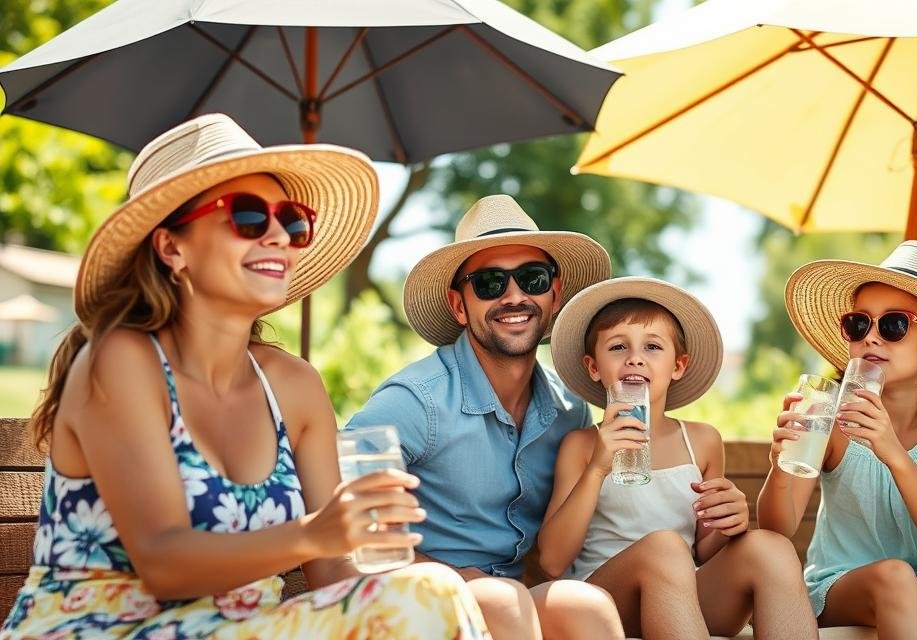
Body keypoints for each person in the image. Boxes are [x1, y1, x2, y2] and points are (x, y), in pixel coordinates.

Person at [0, 113, 489, 640]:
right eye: (249, 217)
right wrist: (313, 534)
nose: (279, 235)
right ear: (172, 248)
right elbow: (164, 564)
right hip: (103, 630)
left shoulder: (293, 385)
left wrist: (399, 576)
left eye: (293, 220)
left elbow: (332, 576)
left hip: (247, 629)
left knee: (433, 591)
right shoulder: (121, 360)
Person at [347, 194, 624, 639]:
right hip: (414, 600)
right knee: (503, 599)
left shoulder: (569, 411)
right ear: (460, 306)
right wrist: (456, 580)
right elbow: (345, 518)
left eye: (532, 279)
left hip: (509, 601)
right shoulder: (416, 400)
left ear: (554, 295)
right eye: (491, 284)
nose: (515, 296)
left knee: (585, 606)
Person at [757, 241, 917, 639]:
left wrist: (893, 453)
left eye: (894, 324)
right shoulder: (829, 414)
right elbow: (777, 528)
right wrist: (782, 465)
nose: (871, 338)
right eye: (858, 324)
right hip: (840, 589)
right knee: (894, 577)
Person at [539, 277, 818, 640]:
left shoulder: (701, 441)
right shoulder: (581, 446)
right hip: (608, 602)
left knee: (772, 547)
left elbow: (705, 547)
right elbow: (552, 561)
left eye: (653, 346)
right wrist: (597, 468)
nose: (635, 357)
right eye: (618, 346)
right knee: (664, 546)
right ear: (594, 367)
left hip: (681, 600)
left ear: (678, 365)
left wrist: (729, 522)